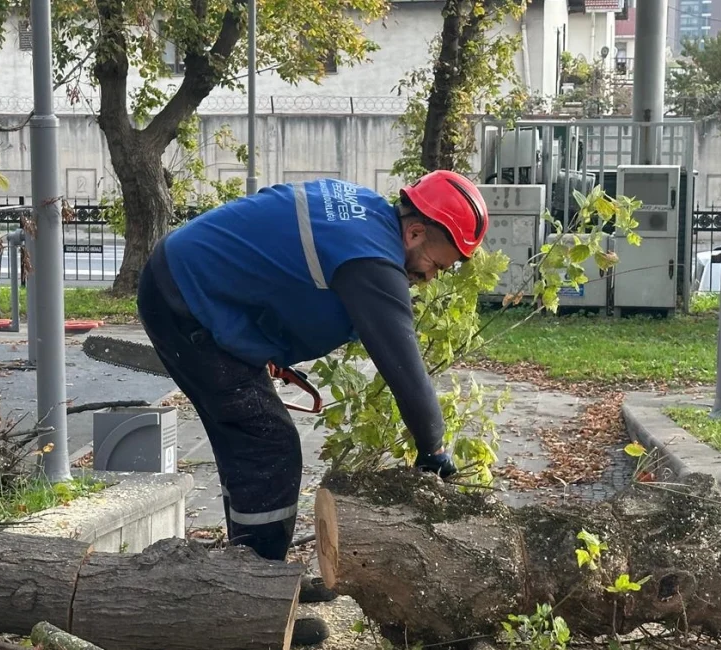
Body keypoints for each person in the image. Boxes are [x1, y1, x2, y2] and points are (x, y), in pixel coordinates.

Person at [135, 169, 489, 644]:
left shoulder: (363, 213)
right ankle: (253, 611)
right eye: (435, 264)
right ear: (417, 231)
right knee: (266, 445)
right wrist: (433, 450)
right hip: (185, 301)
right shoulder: (372, 260)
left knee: (253, 442)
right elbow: (406, 372)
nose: (428, 278)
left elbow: (279, 261)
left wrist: (263, 334)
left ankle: (264, 578)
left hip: (189, 287)